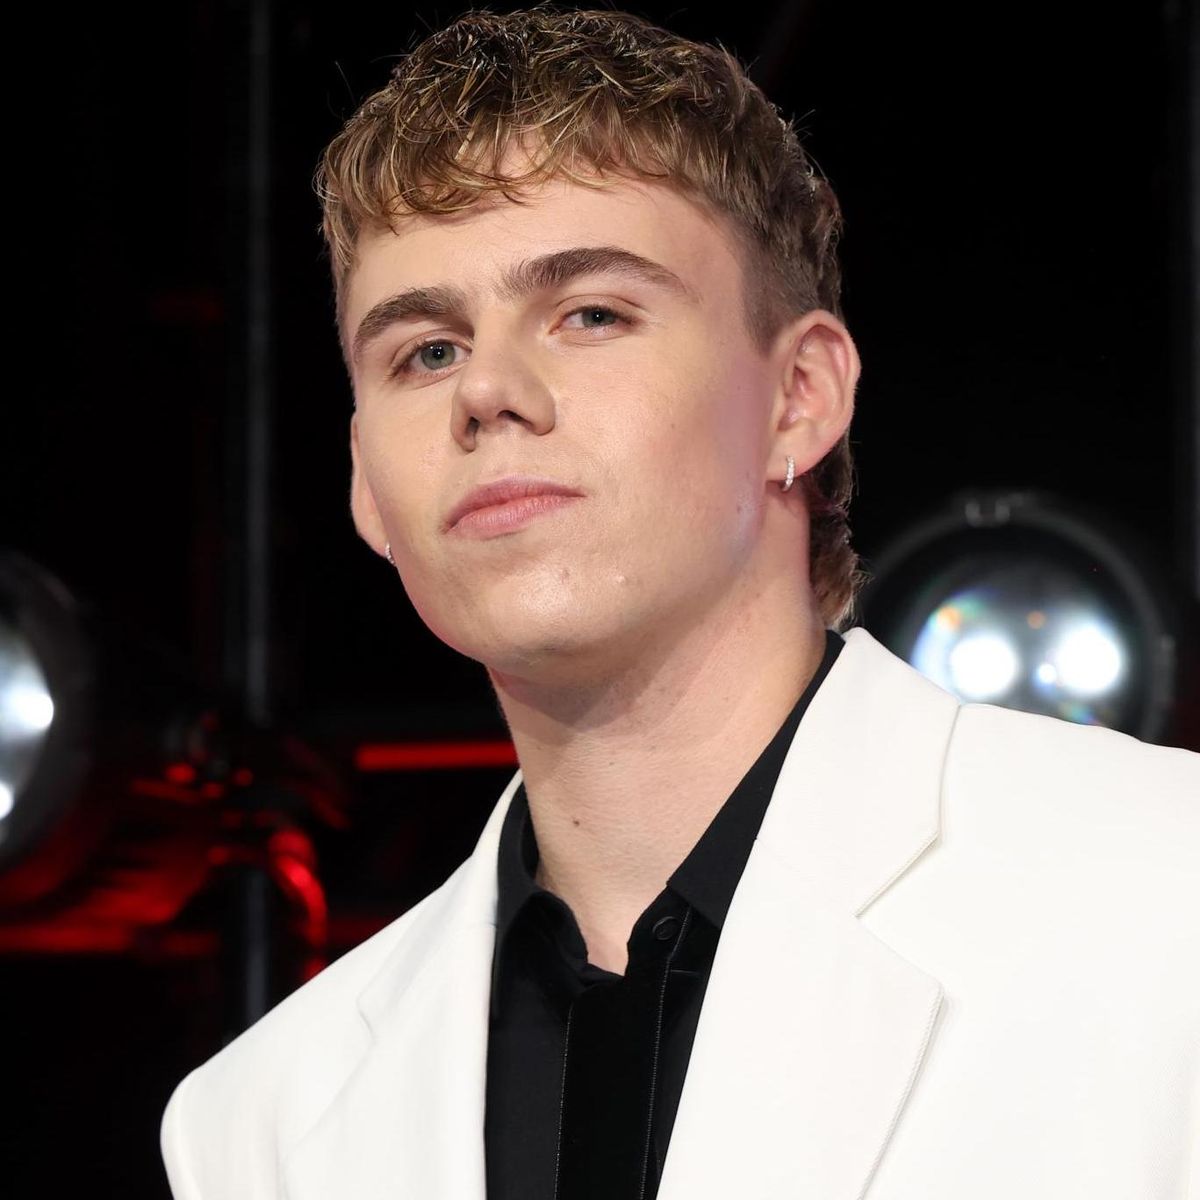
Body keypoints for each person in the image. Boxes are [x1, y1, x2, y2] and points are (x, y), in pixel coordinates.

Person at [160, 8, 1200, 1199]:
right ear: (365, 485)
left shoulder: (1166, 896)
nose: (487, 389)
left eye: (590, 314)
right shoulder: (259, 1124)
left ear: (798, 397)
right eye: (425, 351)